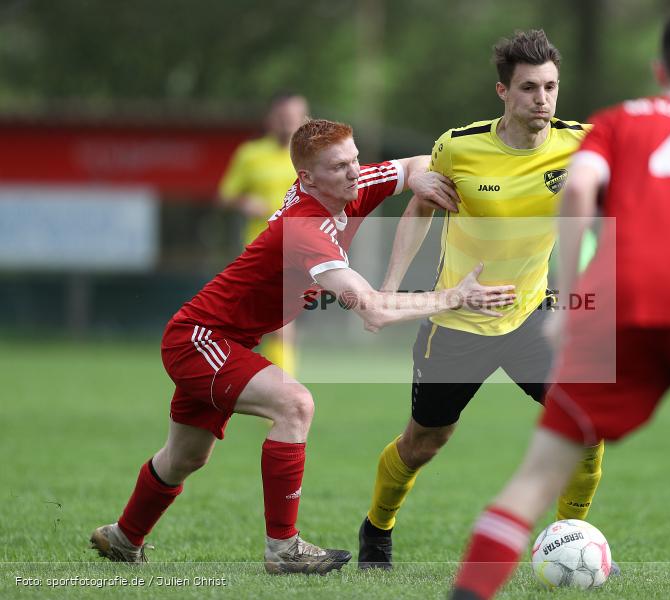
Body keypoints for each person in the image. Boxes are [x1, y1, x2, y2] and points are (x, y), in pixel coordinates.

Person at [450, 7, 670, 600]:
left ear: (659, 69)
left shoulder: (616, 123)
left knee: (537, 476)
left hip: (619, 306)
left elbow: (580, 189)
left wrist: (569, 301)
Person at [90, 119, 516, 575]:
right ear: (307, 178)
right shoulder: (306, 228)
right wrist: (456, 296)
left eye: (355, 159)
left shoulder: (349, 185)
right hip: (202, 339)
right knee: (295, 405)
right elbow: (372, 309)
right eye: (340, 166)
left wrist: (420, 175)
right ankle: (283, 548)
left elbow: (410, 164)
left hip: (223, 338)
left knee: (186, 457)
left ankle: (123, 537)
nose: (355, 172)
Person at [358, 30, 607, 571]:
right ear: (502, 91)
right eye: (528, 88)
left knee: (588, 427)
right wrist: (390, 290)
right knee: (424, 442)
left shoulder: (582, 143)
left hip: (532, 319)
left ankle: (572, 535)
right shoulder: (459, 147)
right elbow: (421, 207)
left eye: (550, 87)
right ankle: (377, 527)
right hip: (458, 323)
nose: (542, 99)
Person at [219, 93, 309, 378]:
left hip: (297, 249)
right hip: (256, 249)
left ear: (305, 120)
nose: (287, 124)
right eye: (282, 117)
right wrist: (246, 202)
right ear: (271, 119)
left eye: (293, 118)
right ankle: (269, 384)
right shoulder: (251, 154)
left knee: (281, 323)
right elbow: (226, 195)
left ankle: (283, 389)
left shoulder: (313, 155)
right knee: (262, 324)